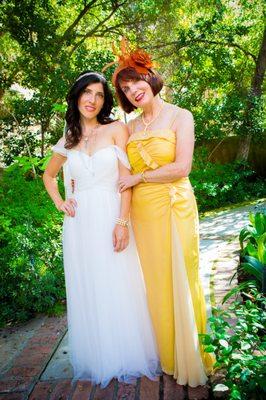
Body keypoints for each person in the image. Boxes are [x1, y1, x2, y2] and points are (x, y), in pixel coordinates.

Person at [110, 40, 215, 398]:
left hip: (175, 205)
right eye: (125, 89)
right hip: (143, 213)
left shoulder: (180, 116)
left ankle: (192, 355)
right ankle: (170, 357)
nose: (133, 91)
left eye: (136, 82)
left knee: (183, 276)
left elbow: (182, 167)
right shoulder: (130, 127)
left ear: (150, 78)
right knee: (156, 283)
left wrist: (138, 178)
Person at [43, 71, 160, 388]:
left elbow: (125, 180)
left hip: (111, 217)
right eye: (86, 93)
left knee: (117, 283)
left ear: (104, 100)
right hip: (79, 224)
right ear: (77, 95)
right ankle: (99, 357)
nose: (92, 100)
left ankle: (125, 353)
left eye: (98, 94)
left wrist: (122, 222)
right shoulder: (68, 136)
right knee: (89, 286)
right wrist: (60, 202)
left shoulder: (116, 129)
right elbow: (49, 176)